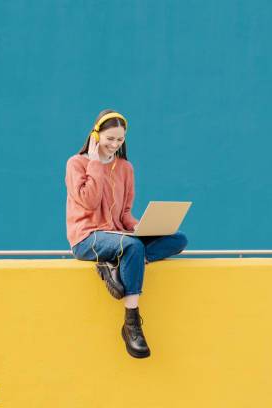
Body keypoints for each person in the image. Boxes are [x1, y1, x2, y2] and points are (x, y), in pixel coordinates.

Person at [65, 109, 188, 359]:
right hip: (88, 238)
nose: (114, 145)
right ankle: (131, 323)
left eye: (120, 140)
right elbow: (88, 202)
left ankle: (117, 265)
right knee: (132, 247)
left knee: (178, 239)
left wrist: (143, 227)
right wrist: (95, 163)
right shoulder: (77, 164)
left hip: (118, 236)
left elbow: (124, 214)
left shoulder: (125, 168)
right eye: (109, 138)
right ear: (95, 136)